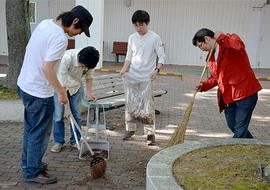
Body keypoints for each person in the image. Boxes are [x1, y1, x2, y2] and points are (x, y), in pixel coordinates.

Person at [17, 5, 93, 184]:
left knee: (30, 129)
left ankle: (28, 164)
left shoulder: (44, 24)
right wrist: (61, 92)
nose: (79, 33)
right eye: (81, 29)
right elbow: (47, 68)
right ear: (75, 21)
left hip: (24, 85)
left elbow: (29, 48)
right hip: (39, 92)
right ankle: (33, 172)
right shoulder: (60, 38)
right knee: (40, 133)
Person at [192, 28, 262, 138]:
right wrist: (204, 85)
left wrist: (221, 37)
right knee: (232, 125)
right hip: (228, 96)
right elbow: (215, 78)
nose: (201, 49)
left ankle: (236, 152)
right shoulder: (211, 57)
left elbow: (239, 47)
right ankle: (252, 144)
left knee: (239, 128)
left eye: (200, 45)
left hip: (245, 93)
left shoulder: (230, 39)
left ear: (207, 38)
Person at [119, 10, 166, 145]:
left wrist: (157, 70)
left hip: (147, 77)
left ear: (148, 23)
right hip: (133, 76)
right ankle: (130, 129)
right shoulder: (132, 37)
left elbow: (161, 56)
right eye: (136, 25)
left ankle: (150, 133)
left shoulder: (155, 37)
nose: (139, 28)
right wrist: (123, 70)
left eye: (141, 25)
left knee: (147, 105)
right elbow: (129, 56)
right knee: (131, 103)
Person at [51, 46, 99, 153]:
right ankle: (59, 141)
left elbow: (89, 76)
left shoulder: (90, 60)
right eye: (83, 66)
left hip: (76, 86)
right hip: (61, 85)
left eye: (86, 67)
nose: (84, 68)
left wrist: (89, 92)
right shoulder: (66, 58)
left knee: (76, 114)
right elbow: (62, 83)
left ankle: (75, 140)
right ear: (78, 58)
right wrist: (66, 108)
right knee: (59, 115)